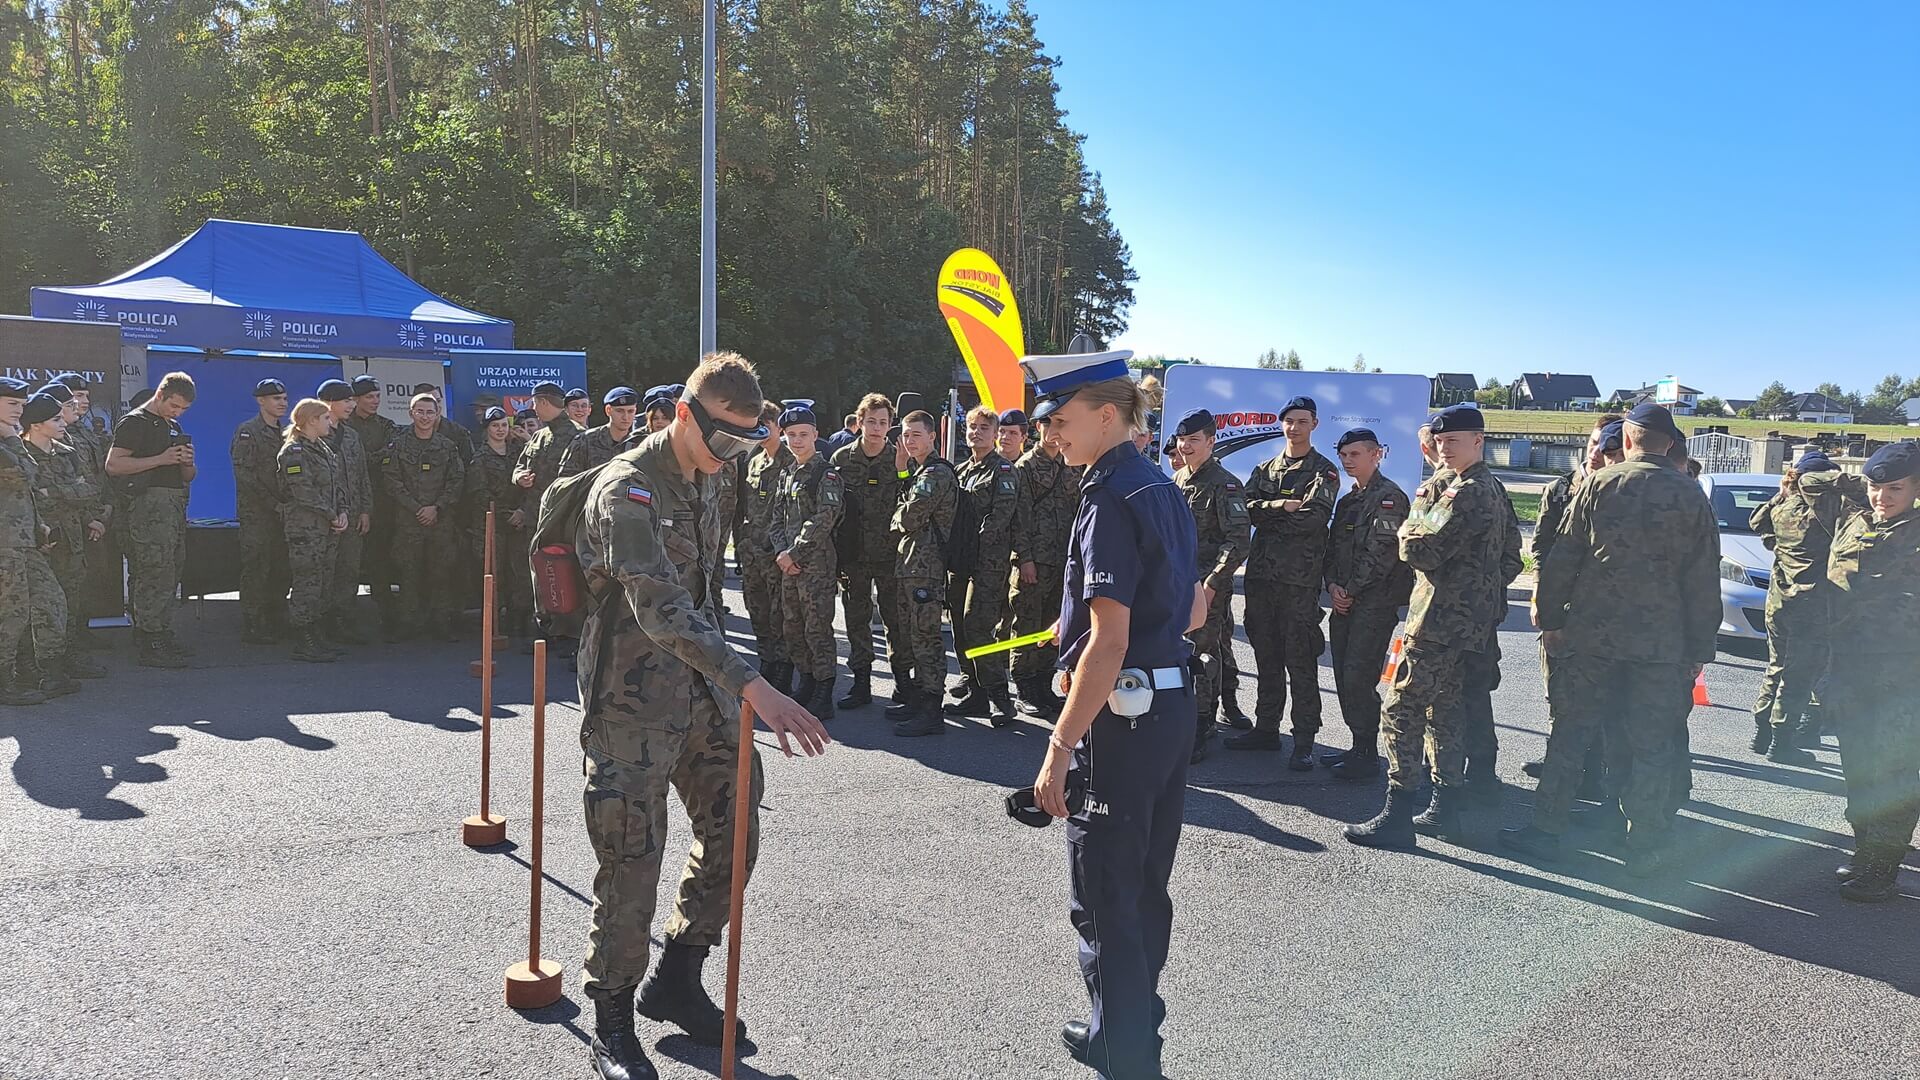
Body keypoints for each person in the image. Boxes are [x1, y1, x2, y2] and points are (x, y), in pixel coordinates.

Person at [573, 354, 828, 1080]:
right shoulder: (627, 489)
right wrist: (756, 685)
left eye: (746, 442)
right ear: (685, 414)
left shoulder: (711, 478)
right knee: (632, 857)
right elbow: (659, 607)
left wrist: (730, 687)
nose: (733, 454)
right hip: (631, 703)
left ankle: (678, 976)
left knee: (736, 827)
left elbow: (708, 591)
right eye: (723, 439)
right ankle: (612, 1017)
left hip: (702, 694)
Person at [1020, 343, 1202, 1080]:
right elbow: (1191, 609)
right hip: (1167, 707)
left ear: (1105, 415)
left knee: (1104, 893)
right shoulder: (1159, 485)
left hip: (1122, 719)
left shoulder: (1107, 497)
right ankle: (1122, 1027)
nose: (1049, 434)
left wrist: (1059, 746)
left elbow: (1111, 640)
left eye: (1059, 420)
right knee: (1143, 883)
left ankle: (1128, 1055)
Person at [1500, 404, 1720, 875]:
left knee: (1571, 733)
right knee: (1650, 745)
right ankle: (1643, 844)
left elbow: (1564, 555)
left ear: (1630, 438)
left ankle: (1546, 829)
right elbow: (1703, 577)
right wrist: (1699, 647)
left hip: (1592, 638)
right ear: (1669, 443)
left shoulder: (1599, 483)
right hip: (1660, 646)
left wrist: (1552, 620)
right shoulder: (1691, 494)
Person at [1346, 404, 1510, 849]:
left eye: (1452, 441)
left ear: (1478, 441)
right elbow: (1510, 556)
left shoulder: (1464, 492)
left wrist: (1413, 518)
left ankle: (1398, 814)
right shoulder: (1491, 487)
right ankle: (1446, 807)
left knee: (1401, 708)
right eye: (1438, 442)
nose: (1444, 449)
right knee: (1446, 711)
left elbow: (1418, 549)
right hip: (1467, 623)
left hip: (1438, 619)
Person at [1823, 443, 1920, 902]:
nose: (1882, 497)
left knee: (1895, 771)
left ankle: (1883, 865)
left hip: (1904, 676)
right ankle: (1865, 849)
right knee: (1858, 766)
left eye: (1895, 488)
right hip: (1851, 669)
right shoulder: (1854, 524)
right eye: (1875, 487)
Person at [1229, 395, 1338, 767]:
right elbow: (1244, 510)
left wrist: (1268, 514)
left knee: (1301, 661)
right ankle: (1266, 728)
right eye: (1290, 421)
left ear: (1314, 425)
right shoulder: (1265, 469)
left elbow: (1312, 518)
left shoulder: (1324, 471)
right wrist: (1280, 505)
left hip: (1299, 582)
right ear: (1282, 424)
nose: (1295, 427)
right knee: (1266, 656)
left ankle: (1304, 741)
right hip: (1262, 579)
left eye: (1302, 421)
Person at [1522, 418, 1624, 786]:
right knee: (1558, 688)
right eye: (1593, 442)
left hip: (1602, 608)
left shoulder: (1622, 490)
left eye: (1606, 445)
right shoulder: (1561, 489)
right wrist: (1539, 594)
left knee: (1600, 695)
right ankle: (1561, 758)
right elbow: (1541, 546)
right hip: (1561, 603)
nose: (1596, 451)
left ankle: (1592, 769)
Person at [1748, 450, 1867, 762]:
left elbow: (1757, 522)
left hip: (1778, 599)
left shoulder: (1783, 505)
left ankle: (1761, 731)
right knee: (1799, 674)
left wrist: (1783, 492)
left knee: (1777, 666)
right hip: (1811, 603)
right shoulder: (1823, 511)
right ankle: (1782, 741)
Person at [1323, 428, 1411, 780]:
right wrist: (1333, 585)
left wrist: (1350, 590)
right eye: (1343, 455)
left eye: (1355, 455)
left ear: (1376, 454)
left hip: (1373, 603)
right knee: (1345, 675)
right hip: (1345, 600)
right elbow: (1333, 548)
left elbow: (1382, 553)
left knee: (1360, 676)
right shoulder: (1349, 500)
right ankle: (1357, 746)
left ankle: (1367, 753)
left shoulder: (1389, 498)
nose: (1348, 461)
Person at [1172, 409, 1251, 764]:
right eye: (1182, 440)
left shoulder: (1225, 484)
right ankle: (1186, 715)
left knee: (1202, 652)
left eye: (1194, 440)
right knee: (1181, 650)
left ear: (1210, 441)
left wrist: (1213, 583)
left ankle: (1202, 723)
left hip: (1207, 585)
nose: (1186, 446)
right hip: (1177, 582)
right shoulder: (1177, 479)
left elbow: (1237, 540)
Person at [106, 371, 197, 668]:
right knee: (153, 572)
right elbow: (114, 465)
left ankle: (161, 630)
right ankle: (149, 637)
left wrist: (186, 461)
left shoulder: (172, 425)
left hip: (173, 505)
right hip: (148, 507)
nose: (178, 412)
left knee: (171, 571)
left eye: (183, 409)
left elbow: (188, 476)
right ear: (160, 395)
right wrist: (161, 459)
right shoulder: (135, 422)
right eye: (174, 405)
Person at [19, 385, 107, 676]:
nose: (63, 423)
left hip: (72, 540)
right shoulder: (21, 455)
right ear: (36, 425)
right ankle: (35, 665)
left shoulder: (68, 453)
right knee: (38, 606)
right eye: (56, 419)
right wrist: (68, 492)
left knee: (70, 602)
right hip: (41, 543)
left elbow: (89, 491)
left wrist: (55, 491)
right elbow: (31, 499)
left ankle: (68, 658)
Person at [829, 393, 910, 708]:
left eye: (883, 422)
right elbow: (832, 508)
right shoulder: (841, 459)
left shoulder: (900, 458)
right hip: (855, 555)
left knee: (896, 620)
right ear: (859, 422)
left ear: (890, 426)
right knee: (856, 619)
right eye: (871, 421)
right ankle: (861, 682)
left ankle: (903, 682)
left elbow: (912, 500)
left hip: (891, 555)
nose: (877, 428)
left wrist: (903, 469)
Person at [1, 384, 78, 703]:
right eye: (11, 404)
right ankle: (5, 681)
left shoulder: (8, 441)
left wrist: (38, 528)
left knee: (50, 600)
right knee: (10, 613)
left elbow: (24, 490)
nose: (18, 410)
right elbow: (24, 474)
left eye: (21, 405)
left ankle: (47, 671)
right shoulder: (8, 443)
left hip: (22, 541)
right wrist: (10, 437)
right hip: (5, 544)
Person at [768, 405, 844, 721]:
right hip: (789, 565)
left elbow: (824, 518)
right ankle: (807, 681)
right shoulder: (787, 473)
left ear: (815, 435)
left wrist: (794, 554)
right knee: (793, 627)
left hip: (816, 566)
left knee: (817, 629)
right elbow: (776, 518)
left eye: (803, 434)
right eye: (791, 435)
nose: (797, 441)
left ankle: (824, 692)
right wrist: (782, 553)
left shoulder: (826, 474)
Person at [948, 405, 1020, 726]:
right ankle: (975, 692)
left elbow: (1001, 516)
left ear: (995, 435)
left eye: (984, 428)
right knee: (959, 627)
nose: (976, 433)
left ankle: (1000, 697)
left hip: (987, 562)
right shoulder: (961, 470)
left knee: (977, 626)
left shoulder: (1002, 471)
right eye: (972, 427)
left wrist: (971, 543)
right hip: (960, 561)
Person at [888, 409, 957, 736]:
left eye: (916, 434)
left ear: (932, 436)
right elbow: (908, 503)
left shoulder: (935, 474)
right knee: (912, 636)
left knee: (926, 638)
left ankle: (932, 710)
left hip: (925, 569)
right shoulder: (918, 472)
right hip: (911, 565)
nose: (909, 440)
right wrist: (902, 472)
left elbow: (910, 516)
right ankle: (918, 699)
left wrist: (897, 517)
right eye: (905, 434)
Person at [1009, 413, 1082, 719]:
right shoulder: (1026, 466)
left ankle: (1043, 684)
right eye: (1048, 425)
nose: (1054, 431)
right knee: (1027, 623)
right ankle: (1024, 688)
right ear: (1038, 428)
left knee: (1054, 624)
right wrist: (1024, 558)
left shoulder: (1072, 463)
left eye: (1060, 424)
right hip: (1035, 561)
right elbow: (1019, 517)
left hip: (1063, 560)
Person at [382, 393, 466, 641]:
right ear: (411, 413)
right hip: (409, 521)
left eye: (430, 412)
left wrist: (436, 507)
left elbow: (456, 480)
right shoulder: (397, 445)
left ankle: (441, 622)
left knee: (441, 572)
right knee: (408, 573)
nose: (425, 417)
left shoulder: (447, 446)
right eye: (420, 411)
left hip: (440, 520)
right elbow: (391, 481)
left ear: (437, 414)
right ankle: (407, 623)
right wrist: (416, 508)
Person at [277, 399, 348, 663]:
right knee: (307, 582)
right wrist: (331, 514)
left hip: (326, 528)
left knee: (322, 581)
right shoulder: (293, 452)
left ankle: (317, 633)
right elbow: (302, 491)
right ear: (311, 420)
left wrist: (343, 511)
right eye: (326, 418)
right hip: (305, 529)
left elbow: (337, 484)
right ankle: (303, 637)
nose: (330, 423)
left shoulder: (323, 448)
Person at [516, 381, 583, 652]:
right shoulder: (539, 436)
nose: (533, 409)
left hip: (565, 520)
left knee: (568, 574)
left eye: (535, 404)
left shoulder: (579, 436)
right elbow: (520, 466)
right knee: (539, 576)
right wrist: (520, 477)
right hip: (536, 518)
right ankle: (546, 629)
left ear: (544, 402)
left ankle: (572, 634)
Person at [231, 379, 292, 644]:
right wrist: (274, 504)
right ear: (261, 401)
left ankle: (276, 616)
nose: (283, 403)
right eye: (276, 399)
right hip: (257, 513)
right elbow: (246, 476)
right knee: (257, 566)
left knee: (282, 566)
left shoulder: (288, 433)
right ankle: (253, 622)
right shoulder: (248, 432)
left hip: (284, 513)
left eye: (285, 399)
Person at [464, 406, 531, 644]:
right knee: (495, 574)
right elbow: (479, 494)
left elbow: (532, 483)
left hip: (519, 523)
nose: (500, 430)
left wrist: (522, 512)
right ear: (487, 429)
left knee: (519, 573)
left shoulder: (519, 453)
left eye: (504, 425)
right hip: (492, 525)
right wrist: (506, 515)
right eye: (495, 426)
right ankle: (493, 622)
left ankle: (519, 619)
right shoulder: (480, 458)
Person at [316, 380, 374, 645]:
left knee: (349, 569)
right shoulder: (314, 433)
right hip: (326, 517)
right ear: (329, 403)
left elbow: (362, 475)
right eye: (346, 400)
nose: (352, 405)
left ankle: (343, 620)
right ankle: (321, 624)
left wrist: (365, 510)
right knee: (324, 571)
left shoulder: (351, 435)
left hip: (352, 514)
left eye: (353, 400)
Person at [343, 375, 401, 631]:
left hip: (382, 500)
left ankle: (387, 612)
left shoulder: (386, 425)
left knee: (381, 558)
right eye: (369, 397)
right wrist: (376, 457)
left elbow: (392, 453)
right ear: (355, 399)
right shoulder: (344, 427)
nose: (375, 401)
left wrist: (371, 458)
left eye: (378, 396)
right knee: (349, 561)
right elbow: (353, 462)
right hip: (351, 501)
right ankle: (345, 616)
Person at [740, 403, 791, 689]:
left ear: (778, 427)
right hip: (753, 550)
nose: (761, 431)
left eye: (766, 426)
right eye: (756, 426)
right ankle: (767, 660)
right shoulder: (755, 460)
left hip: (776, 551)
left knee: (779, 612)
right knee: (756, 608)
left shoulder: (790, 460)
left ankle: (783, 666)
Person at [560, 386, 641, 478]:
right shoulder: (585, 441)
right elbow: (566, 479)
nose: (625, 417)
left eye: (630, 411)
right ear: (608, 410)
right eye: (620, 411)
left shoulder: (640, 443)